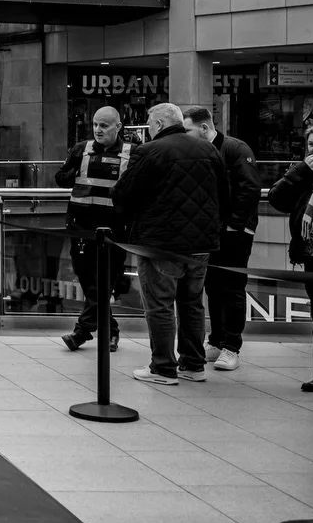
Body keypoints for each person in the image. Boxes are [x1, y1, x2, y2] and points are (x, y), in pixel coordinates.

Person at [112, 101, 229, 386]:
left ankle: (163, 367)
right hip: (201, 243)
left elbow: (123, 194)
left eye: (150, 124)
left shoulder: (149, 151)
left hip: (159, 243)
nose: (149, 129)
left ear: (159, 124)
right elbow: (224, 195)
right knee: (192, 304)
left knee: (160, 305)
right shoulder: (208, 149)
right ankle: (193, 364)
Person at [183, 106, 262, 372]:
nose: (185, 135)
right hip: (210, 231)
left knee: (233, 287)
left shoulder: (236, 149)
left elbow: (250, 189)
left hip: (234, 232)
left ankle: (231, 346)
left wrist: (234, 225)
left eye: (188, 130)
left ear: (204, 128)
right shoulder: (200, 151)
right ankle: (217, 340)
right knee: (212, 286)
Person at [54, 105, 134, 353]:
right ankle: (111, 330)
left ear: (118, 127)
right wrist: (72, 171)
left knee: (104, 283)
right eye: (95, 125)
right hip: (81, 230)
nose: (98, 130)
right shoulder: (81, 149)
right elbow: (60, 179)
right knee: (91, 284)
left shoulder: (132, 153)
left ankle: (82, 331)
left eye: (104, 125)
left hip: (114, 232)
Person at [267, 122, 313, 393]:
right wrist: (300, 172)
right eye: (311, 145)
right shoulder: (303, 174)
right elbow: (277, 199)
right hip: (311, 255)